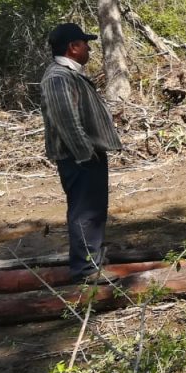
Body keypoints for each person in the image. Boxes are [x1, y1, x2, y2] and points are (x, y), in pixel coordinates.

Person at [39, 23, 122, 283]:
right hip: (79, 158)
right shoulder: (57, 77)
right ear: (73, 47)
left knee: (94, 211)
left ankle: (93, 261)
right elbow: (66, 121)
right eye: (85, 43)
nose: (88, 47)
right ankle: (86, 271)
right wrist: (85, 154)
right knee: (85, 213)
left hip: (87, 155)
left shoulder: (68, 74)